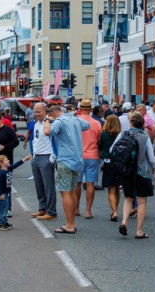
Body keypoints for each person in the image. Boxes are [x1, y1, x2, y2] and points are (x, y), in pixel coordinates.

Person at [43, 105, 90, 234]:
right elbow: (87, 125)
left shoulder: (59, 121)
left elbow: (47, 132)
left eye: (49, 114)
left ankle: (69, 225)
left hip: (65, 160)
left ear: (53, 113)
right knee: (73, 191)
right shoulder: (75, 119)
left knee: (65, 192)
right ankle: (72, 222)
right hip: (77, 160)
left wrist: (47, 121)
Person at [114, 112, 155, 239]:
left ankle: (124, 222)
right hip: (142, 171)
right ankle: (139, 231)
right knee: (142, 201)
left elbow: (113, 149)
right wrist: (152, 167)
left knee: (128, 198)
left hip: (127, 171)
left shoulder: (123, 134)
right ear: (142, 124)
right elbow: (152, 158)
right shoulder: (145, 137)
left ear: (131, 123)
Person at [74, 99, 102, 219]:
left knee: (77, 183)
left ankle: (76, 209)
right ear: (90, 109)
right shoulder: (96, 123)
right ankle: (88, 211)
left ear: (80, 109)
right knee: (90, 183)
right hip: (92, 155)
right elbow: (99, 140)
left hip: (78, 155)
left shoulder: (76, 122)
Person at [29, 102, 57, 221]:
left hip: (47, 156)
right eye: (35, 111)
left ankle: (51, 211)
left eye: (39, 111)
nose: (37, 114)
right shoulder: (36, 124)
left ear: (45, 111)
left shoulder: (50, 122)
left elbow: (55, 140)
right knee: (39, 186)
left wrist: (52, 157)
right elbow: (35, 140)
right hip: (37, 156)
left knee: (48, 187)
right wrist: (34, 154)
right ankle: (42, 208)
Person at [0, 153, 32, 231]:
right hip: (3, 194)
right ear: (1, 163)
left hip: (7, 193)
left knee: (5, 208)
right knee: (2, 209)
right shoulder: (1, 173)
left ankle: (4, 222)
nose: (8, 160)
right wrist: (1, 194)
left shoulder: (7, 169)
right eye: (6, 160)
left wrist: (24, 160)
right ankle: (0, 224)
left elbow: (15, 165)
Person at [100, 115, 122, 221]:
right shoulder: (121, 135)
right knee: (117, 189)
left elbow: (100, 147)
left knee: (111, 190)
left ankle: (114, 212)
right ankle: (115, 209)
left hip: (108, 162)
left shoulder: (104, 135)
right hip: (119, 163)